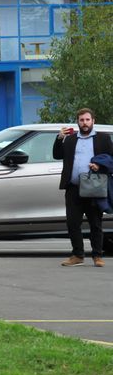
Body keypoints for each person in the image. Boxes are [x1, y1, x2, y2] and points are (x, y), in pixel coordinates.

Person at [53, 108, 112, 268]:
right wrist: (59, 138)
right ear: (77, 122)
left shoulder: (103, 139)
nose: (84, 123)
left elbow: (110, 161)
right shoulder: (71, 139)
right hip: (73, 188)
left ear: (93, 120)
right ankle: (78, 255)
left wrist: (99, 166)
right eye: (81, 120)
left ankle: (97, 256)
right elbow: (57, 155)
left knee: (95, 223)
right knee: (72, 223)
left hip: (94, 186)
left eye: (87, 120)